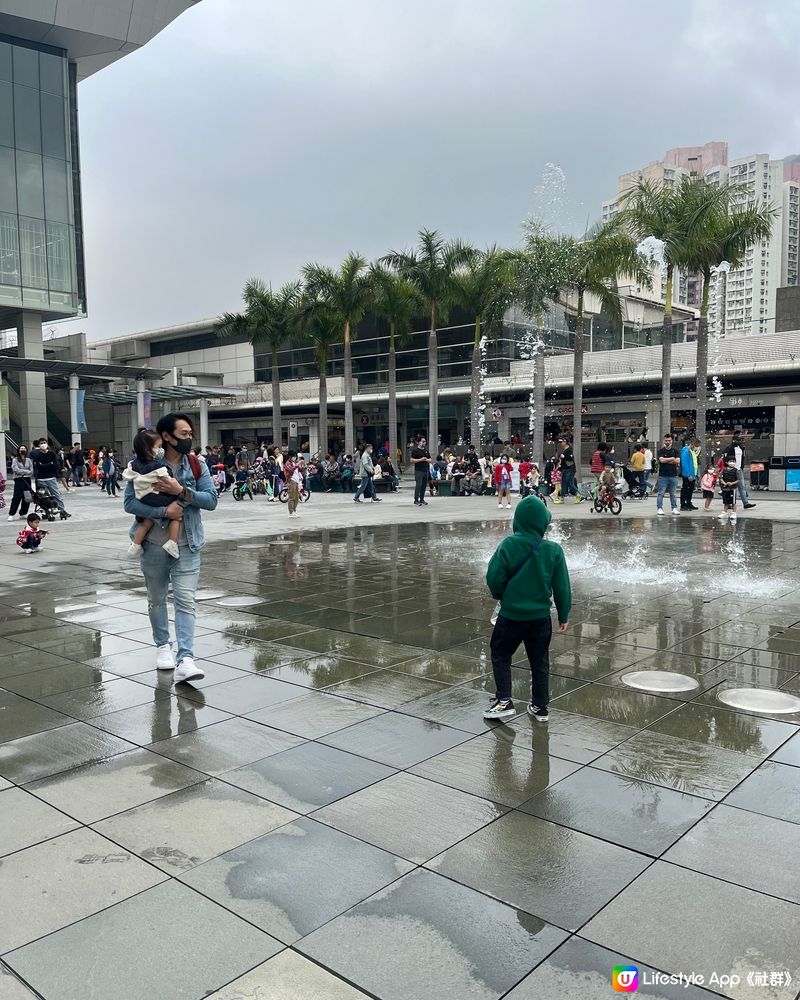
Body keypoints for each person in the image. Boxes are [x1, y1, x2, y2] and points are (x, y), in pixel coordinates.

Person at [123, 412, 217, 683]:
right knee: (156, 598)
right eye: (184, 434)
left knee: (186, 600)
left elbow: (211, 500)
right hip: (153, 545)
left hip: (188, 543)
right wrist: (166, 509)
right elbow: (129, 503)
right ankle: (163, 646)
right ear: (166, 436)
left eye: (191, 434)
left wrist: (180, 490)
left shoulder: (197, 465)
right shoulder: (144, 463)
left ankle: (186, 658)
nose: (189, 439)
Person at [483, 496, 571, 722]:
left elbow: (493, 577)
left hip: (511, 616)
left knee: (501, 654)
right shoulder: (553, 550)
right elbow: (562, 587)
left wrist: (501, 596)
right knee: (539, 661)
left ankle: (504, 701)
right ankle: (540, 707)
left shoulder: (508, 545)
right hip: (540, 619)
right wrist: (563, 614)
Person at [123, 429, 183, 559]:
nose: (161, 450)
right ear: (147, 449)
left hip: (143, 497)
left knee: (147, 520)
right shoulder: (157, 467)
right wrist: (178, 489)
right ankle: (172, 542)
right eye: (159, 447)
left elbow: (127, 475)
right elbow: (169, 482)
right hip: (154, 495)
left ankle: (135, 544)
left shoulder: (133, 464)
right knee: (177, 511)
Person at [31, 440, 70, 519]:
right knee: (43, 497)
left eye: (44, 443)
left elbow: (55, 465)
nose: (43, 445)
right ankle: (47, 511)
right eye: (41, 443)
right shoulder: (37, 455)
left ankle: (62, 510)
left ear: (47, 444)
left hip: (51, 478)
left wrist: (45, 465)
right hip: (41, 479)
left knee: (56, 495)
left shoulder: (52, 454)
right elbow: (39, 466)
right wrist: (50, 464)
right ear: (39, 445)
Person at [725, 436, 756, 510]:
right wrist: (728, 467)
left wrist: (741, 466)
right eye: (738, 440)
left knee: (742, 487)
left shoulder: (741, 448)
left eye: (741, 440)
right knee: (730, 487)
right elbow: (726, 458)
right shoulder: (730, 448)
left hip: (739, 469)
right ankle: (729, 503)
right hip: (732, 469)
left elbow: (742, 458)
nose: (740, 442)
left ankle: (746, 503)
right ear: (734, 440)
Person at [655, 433, 681, 516]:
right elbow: (661, 460)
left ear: (672, 441)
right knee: (661, 493)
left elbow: (678, 461)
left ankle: (674, 508)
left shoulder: (675, 451)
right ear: (664, 441)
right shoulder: (661, 451)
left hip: (673, 475)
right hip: (663, 476)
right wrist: (672, 459)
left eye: (669, 440)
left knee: (673, 493)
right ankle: (659, 508)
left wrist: (667, 460)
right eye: (666, 440)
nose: (667, 442)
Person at [7, 445, 34, 521]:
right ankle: (11, 514)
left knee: (27, 496)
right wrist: (26, 471)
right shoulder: (15, 459)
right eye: (21, 448)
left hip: (27, 479)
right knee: (17, 496)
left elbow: (31, 471)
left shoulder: (28, 460)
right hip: (19, 480)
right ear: (19, 450)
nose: (23, 450)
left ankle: (23, 513)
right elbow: (16, 470)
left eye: (24, 448)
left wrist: (23, 472)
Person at [558, 437, 580, 502]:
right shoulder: (565, 450)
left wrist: (564, 457)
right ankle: (562, 498)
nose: (562, 443)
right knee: (563, 483)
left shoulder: (569, 449)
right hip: (564, 469)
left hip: (570, 469)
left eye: (563, 441)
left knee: (570, 483)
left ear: (566, 442)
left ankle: (578, 494)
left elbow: (571, 459)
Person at [679, 437, 699, 511]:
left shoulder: (692, 451)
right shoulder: (686, 451)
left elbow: (694, 463)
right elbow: (685, 463)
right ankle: (683, 504)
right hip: (688, 474)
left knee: (690, 490)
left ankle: (688, 503)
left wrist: (695, 474)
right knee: (685, 489)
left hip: (692, 473)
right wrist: (688, 474)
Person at [411, 437, 431, 506]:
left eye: (425, 441)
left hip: (425, 470)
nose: (424, 443)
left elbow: (430, 459)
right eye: (423, 441)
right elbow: (412, 460)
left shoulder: (426, 451)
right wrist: (420, 459)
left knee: (424, 485)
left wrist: (426, 460)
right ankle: (416, 499)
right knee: (418, 485)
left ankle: (422, 499)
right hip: (418, 470)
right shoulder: (415, 451)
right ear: (419, 442)